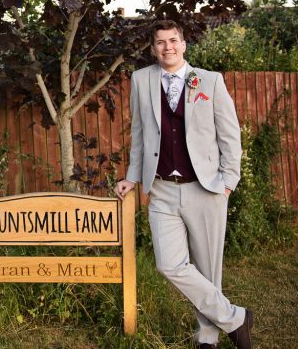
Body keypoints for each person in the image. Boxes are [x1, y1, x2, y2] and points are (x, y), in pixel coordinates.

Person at [114, 20, 254, 349]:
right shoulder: (141, 80)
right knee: (169, 264)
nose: (168, 47)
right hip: (161, 188)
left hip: (205, 189)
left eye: (173, 40)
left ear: (183, 44)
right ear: (153, 48)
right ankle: (236, 318)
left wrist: (228, 183)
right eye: (160, 42)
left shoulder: (209, 81)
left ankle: (207, 339)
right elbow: (138, 134)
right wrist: (133, 177)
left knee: (207, 269)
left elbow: (230, 137)